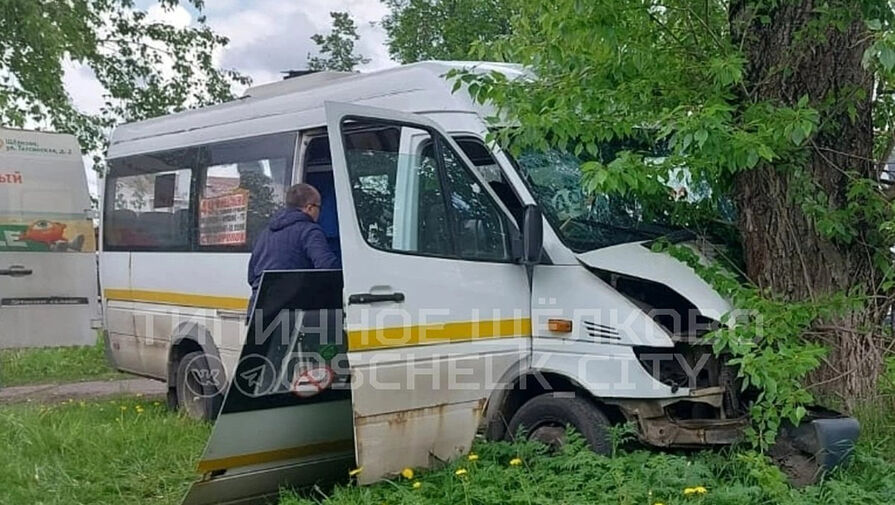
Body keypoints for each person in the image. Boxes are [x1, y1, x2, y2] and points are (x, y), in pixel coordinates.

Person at [246, 183, 340, 317]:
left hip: (258, 311)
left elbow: (251, 276)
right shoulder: (310, 230)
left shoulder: (265, 232)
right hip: (291, 312)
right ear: (309, 208)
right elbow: (328, 269)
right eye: (319, 207)